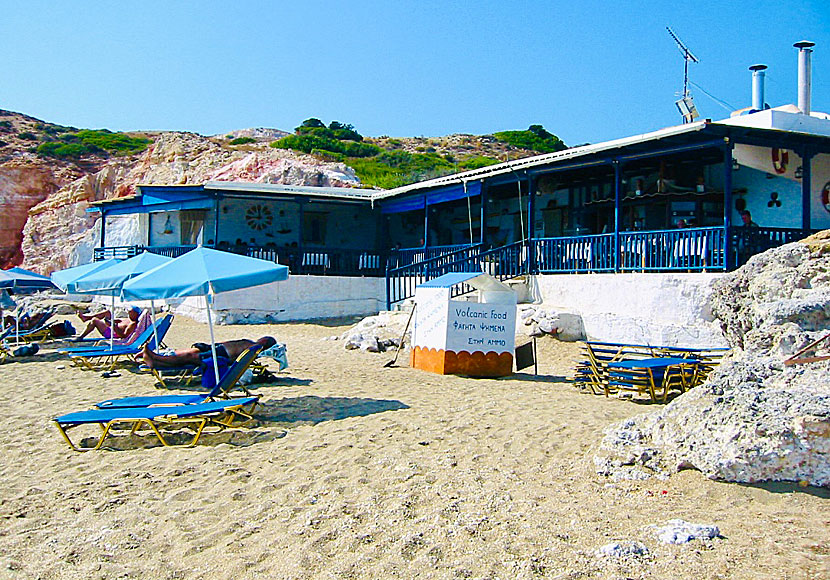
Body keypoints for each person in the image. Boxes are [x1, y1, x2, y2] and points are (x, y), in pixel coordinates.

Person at [140, 336, 276, 368]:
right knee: (192, 350)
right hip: (217, 348)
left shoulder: (255, 349)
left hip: (220, 355)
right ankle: (158, 357)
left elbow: (237, 360)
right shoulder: (252, 344)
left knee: (189, 356)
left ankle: (157, 360)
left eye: (263, 338)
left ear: (264, 342)